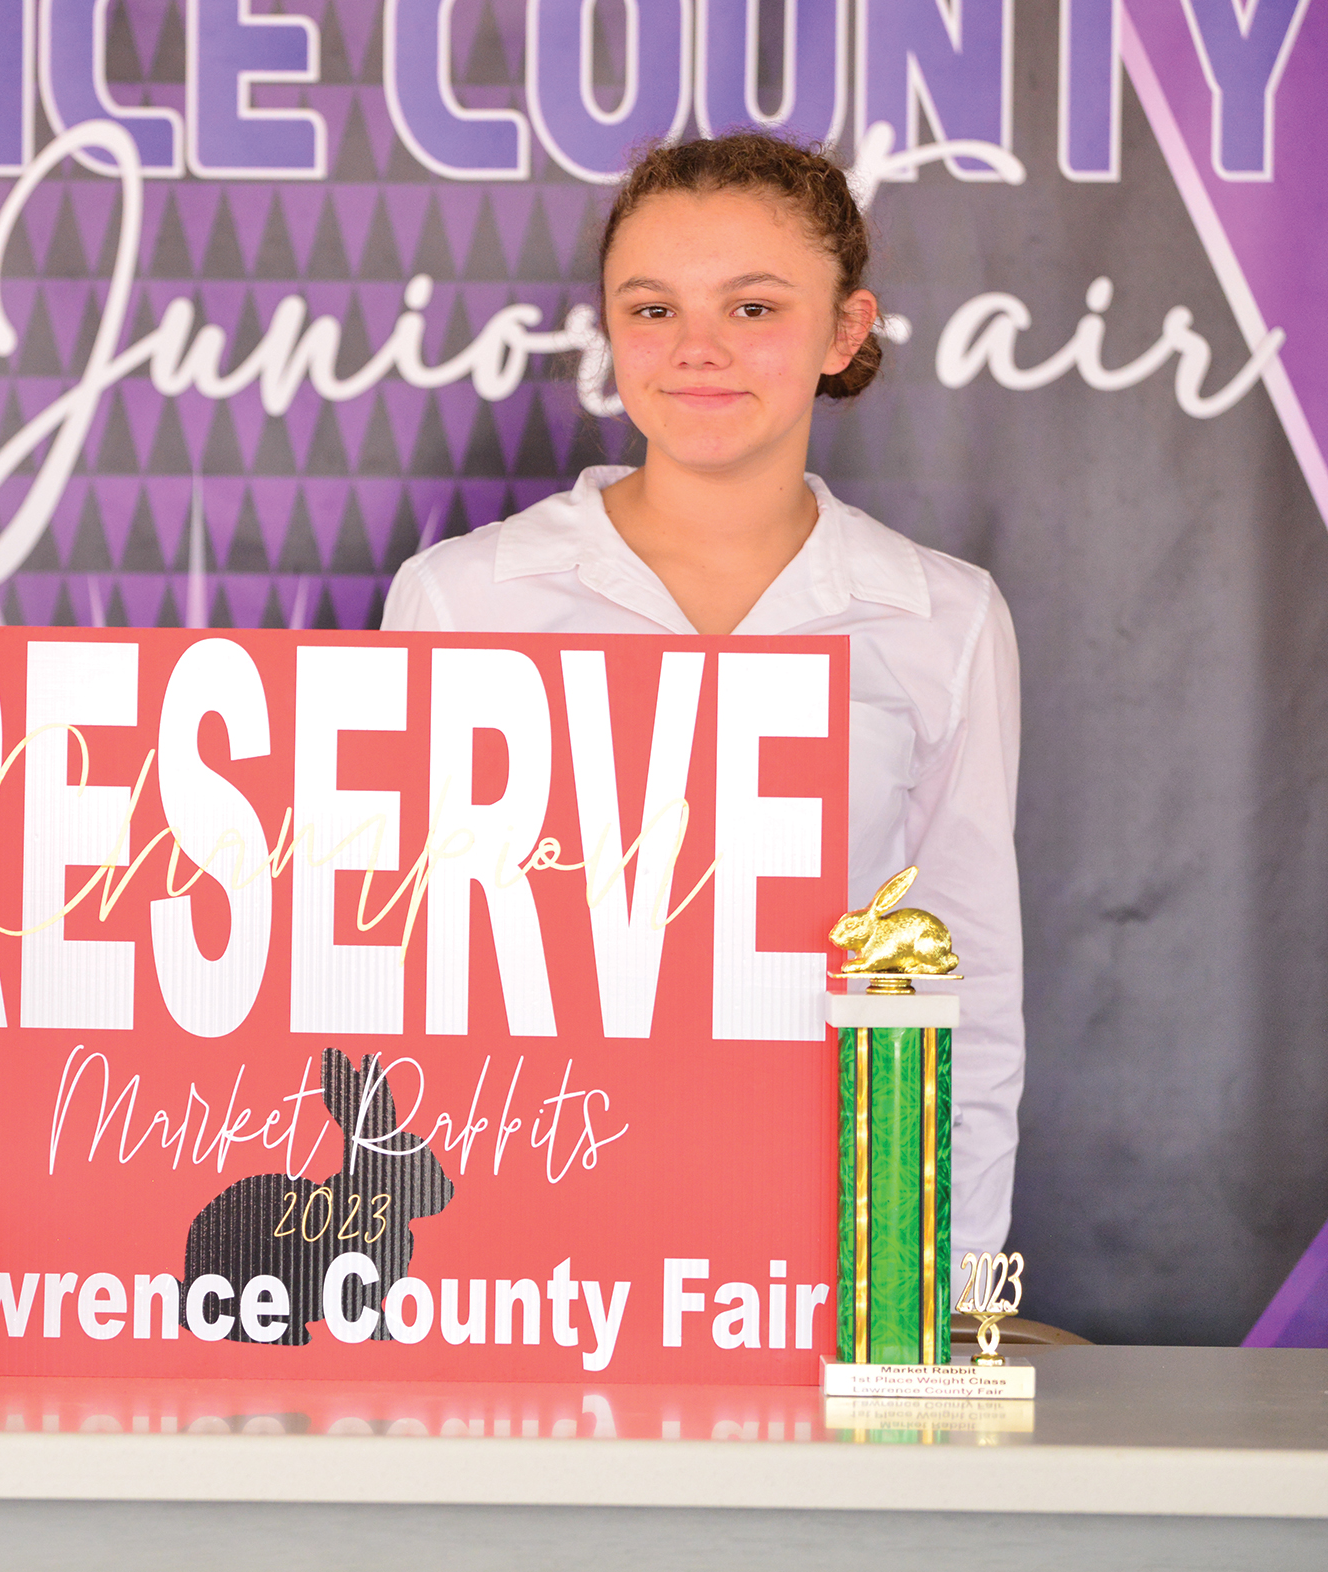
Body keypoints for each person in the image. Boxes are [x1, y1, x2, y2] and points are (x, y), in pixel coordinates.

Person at [383, 132, 1023, 1262]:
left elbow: (960, 980)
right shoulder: (462, 598)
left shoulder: (941, 618)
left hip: (820, 1246)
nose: (697, 351)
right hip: (521, 1243)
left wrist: (937, 1283)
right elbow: (404, 977)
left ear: (844, 331)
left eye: (755, 308)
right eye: (652, 309)